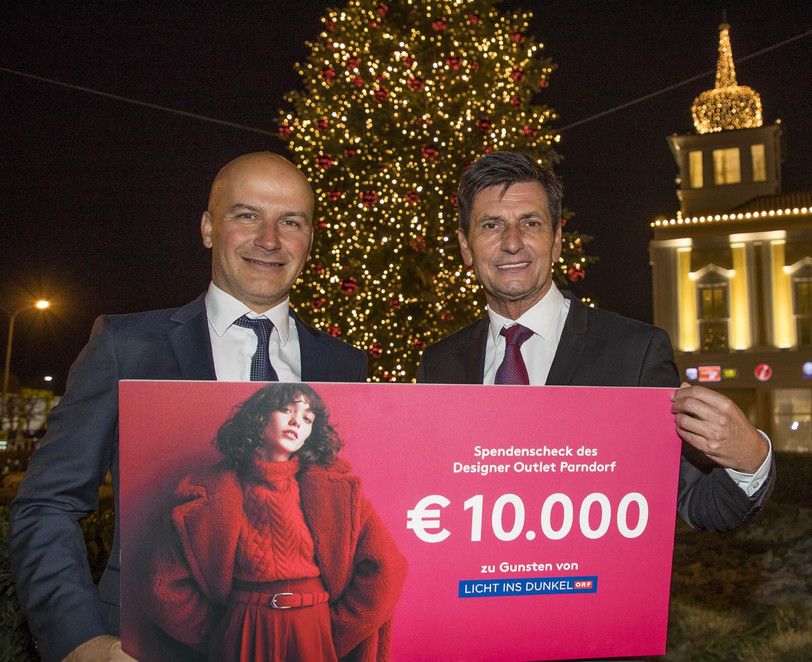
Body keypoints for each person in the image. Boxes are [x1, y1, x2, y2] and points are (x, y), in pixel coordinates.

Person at [9, 152, 368, 662]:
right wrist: (81, 641)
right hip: (146, 644)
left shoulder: (345, 365)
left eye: (291, 221)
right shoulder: (126, 347)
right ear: (207, 228)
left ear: (309, 239)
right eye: (247, 215)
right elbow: (46, 505)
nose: (269, 239)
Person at [417, 151, 773, 532]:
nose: (513, 243)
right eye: (491, 225)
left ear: (556, 241)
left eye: (531, 223)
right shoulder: (438, 366)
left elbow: (700, 504)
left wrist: (751, 459)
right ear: (466, 247)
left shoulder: (635, 354)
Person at [147, 384, 406, 661]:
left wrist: (333, 633)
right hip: (243, 628)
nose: (297, 421)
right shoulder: (207, 492)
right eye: (286, 409)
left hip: (313, 627)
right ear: (259, 416)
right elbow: (164, 584)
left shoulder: (336, 491)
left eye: (307, 418)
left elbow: (387, 568)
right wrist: (219, 635)